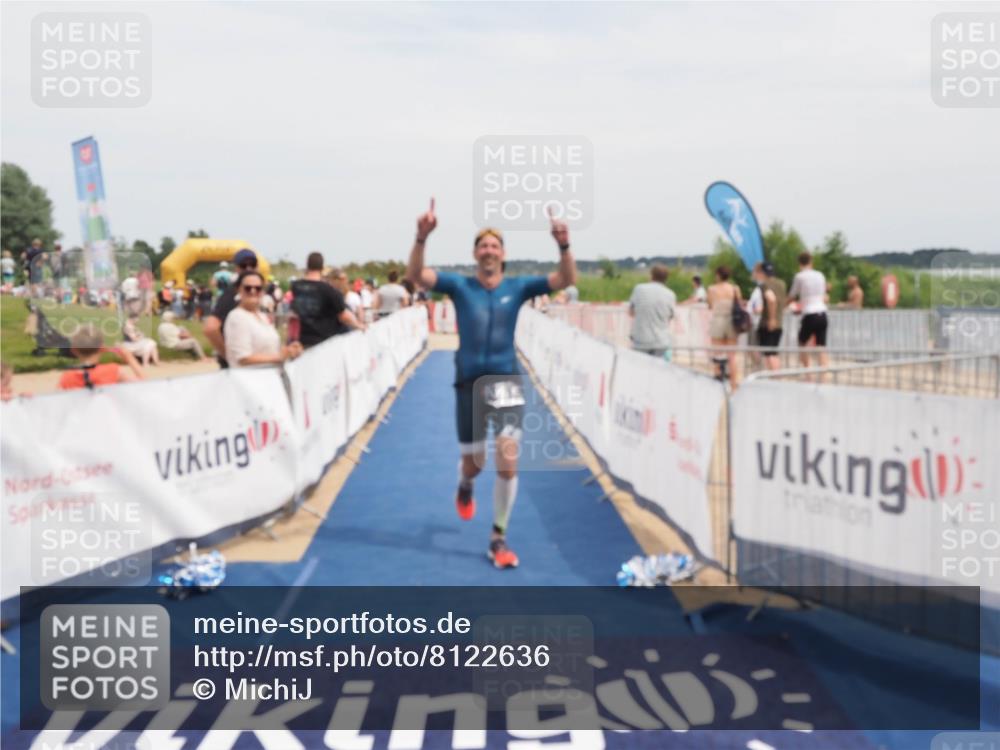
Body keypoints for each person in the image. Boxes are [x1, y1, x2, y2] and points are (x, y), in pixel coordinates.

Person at [406, 199, 577, 569]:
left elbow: (565, 280)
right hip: (467, 383)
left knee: (508, 459)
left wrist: (563, 245)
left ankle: (498, 536)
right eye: (483, 245)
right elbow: (418, 277)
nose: (488, 250)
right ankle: (465, 483)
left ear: (503, 254)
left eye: (494, 246)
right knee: (475, 464)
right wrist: (421, 238)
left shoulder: (518, 287)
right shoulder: (459, 285)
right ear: (474, 253)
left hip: (505, 380)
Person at [224, 270, 303, 367]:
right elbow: (243, 358)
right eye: (248, 288)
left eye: (258, 288)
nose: (253, 291)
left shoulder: (262, 316)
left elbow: (271, 348)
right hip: (247, 379)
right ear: (238, 289)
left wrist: (289, 350)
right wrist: (279, 357)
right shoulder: (237, 317)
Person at [290, 251, 362, 348]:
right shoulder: (328, 290)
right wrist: (359, 325)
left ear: (307, 265)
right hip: (323, 343)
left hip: (302, 341)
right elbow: (343, 315)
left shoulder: (296, 286)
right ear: (322, 267)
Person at [203, 248, 260, 367]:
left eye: (252, 265)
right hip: (239, 365)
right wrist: (228, 355)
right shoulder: (232, 294)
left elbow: (212, 283)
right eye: (244, 265)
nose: (248, 269)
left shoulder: (250, 294)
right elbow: (210, 327)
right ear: (237, 268)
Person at [58, 325, 144, 390]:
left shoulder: (67, 377)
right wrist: (129, 357)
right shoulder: (113, 371)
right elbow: (144, 385)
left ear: (73, 350)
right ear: (102, 348)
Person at [788, 251, 830, 370]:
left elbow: (792, 295)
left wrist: (785, 304)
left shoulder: (800, 276)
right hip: (822, 312)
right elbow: (824, 296)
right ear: (811, 261)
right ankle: (824, 372)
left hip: (810, 314)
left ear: (799, 262)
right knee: (821, 346)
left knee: (802, 343)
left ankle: (808, 371)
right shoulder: (820, 275)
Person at [628, 264, 676, 359]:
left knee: (640, 370)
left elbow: (631, 312)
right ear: (666, 278)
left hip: (640, 341)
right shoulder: (671, 294)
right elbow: (670, 317)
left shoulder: (639, 289)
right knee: (659, 371)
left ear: (651, 275)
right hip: (661, 342)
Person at [707, 266, 743, 388]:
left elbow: (710, 305)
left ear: (718, 275)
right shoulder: (734, 288)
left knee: (717, 352)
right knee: (732, 355)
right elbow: (740, 304)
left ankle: (718, 381)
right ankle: (734, 382)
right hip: (732, 321)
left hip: (718, 320)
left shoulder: (712, 289)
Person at [755, 262, 786, 370]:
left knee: (768, 355)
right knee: (774, 353)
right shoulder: (782, 284)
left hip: (767, 324)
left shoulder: (765, 285)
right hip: (779, 323)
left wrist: (771, 319)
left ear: (763, 273)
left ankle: (773, 378)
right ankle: (777, 377)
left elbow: (771, 299)